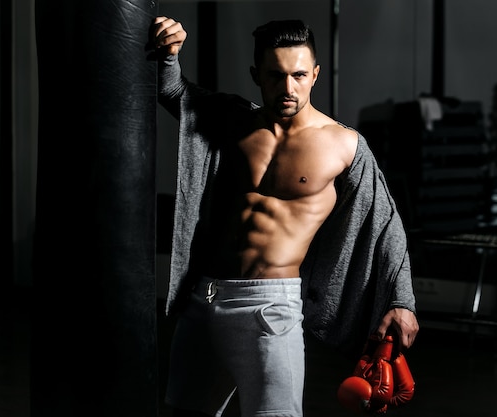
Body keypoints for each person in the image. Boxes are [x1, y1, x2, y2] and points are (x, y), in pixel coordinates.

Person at [150, 16, 419, 417]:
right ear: (257, 75)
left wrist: (402, 300)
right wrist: (169, 55)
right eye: (276, 76)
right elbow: (175, 93)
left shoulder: (343, 145)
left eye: (298, 75)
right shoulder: (234, 120)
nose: (288, 88)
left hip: (269, 310)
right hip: (204, 300)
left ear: (315, 74)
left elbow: (386, 223)